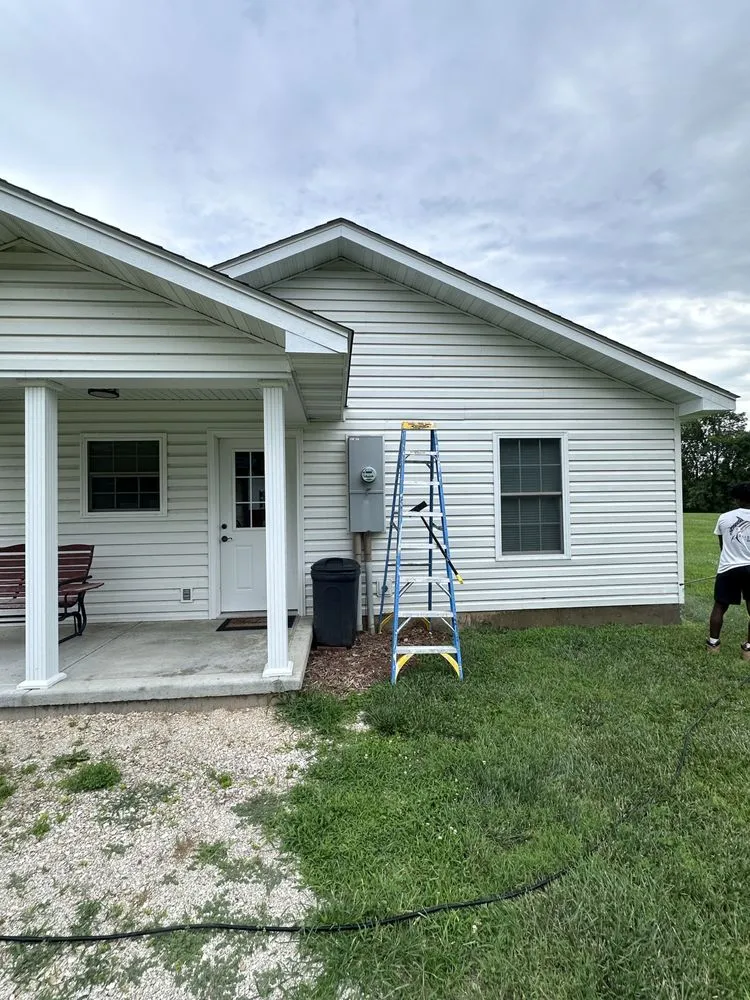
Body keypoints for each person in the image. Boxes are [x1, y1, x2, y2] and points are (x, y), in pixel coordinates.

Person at [707, 482, 750, 660]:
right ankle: (748, 650)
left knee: (719, 606)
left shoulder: (724, 518)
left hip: (728, 569)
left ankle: (713, 644)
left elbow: (722, 547)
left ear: (736, 499)